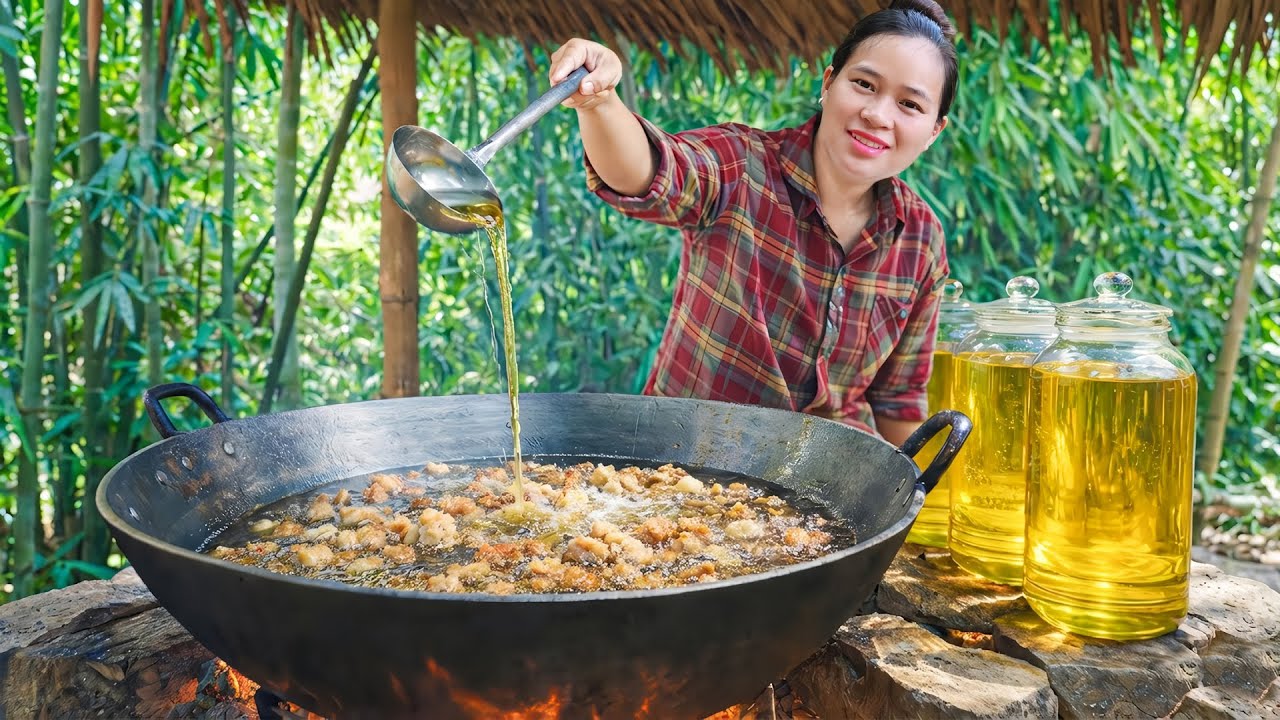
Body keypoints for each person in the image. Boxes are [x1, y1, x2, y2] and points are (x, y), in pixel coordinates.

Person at [548, 0, 958, 446]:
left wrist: (916, 499)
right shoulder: (741, 166)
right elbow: (647, 172)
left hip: (825, 488)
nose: (878, 115)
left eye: (909, 105)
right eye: (863, 84)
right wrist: (600, 103)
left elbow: (898, 400)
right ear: (828, 83)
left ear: (934, 131)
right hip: (682, 466)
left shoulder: (921, 237)